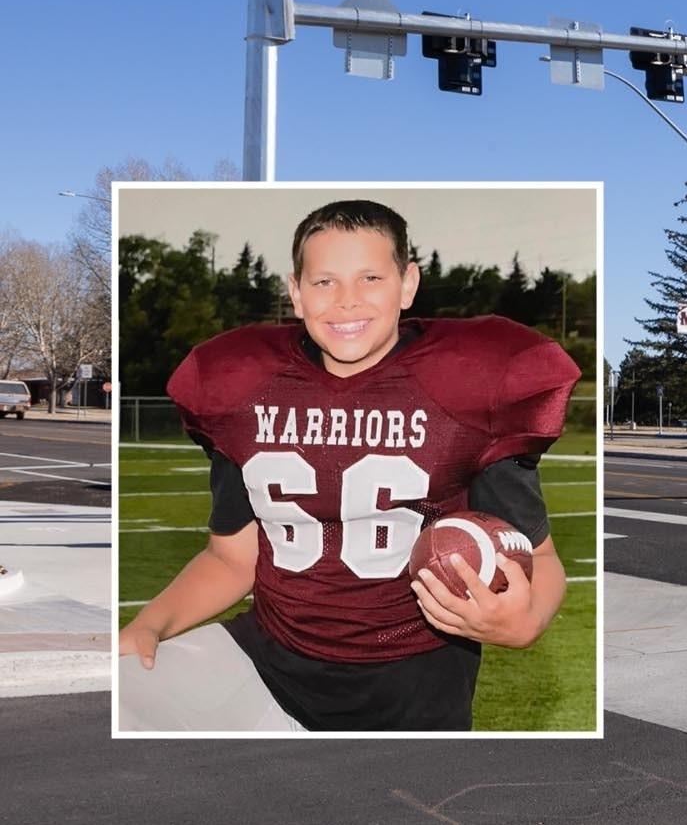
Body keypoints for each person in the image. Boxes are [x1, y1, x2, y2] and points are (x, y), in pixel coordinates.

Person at [118, 199, 580, 731]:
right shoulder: (240, 387)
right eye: (324, 282)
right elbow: (230, 559)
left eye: (370, 278)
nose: (346, 302)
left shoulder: (472, 387)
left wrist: (527, 621)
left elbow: (539, 558)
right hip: (268, 660)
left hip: (416, 679)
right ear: (294, 291)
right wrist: (150, 624)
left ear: (407, 284)